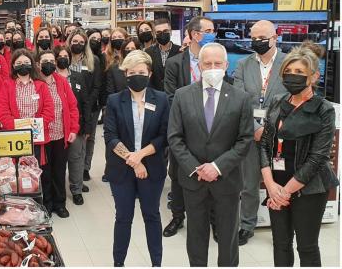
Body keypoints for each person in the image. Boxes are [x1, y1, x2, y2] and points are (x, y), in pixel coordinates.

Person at [167, 43, 253, 266]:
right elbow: (175, 138)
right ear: (199, 65)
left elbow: (244, 140)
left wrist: (217, 167)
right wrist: (196, 167)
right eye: (207, 63)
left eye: (217, 63)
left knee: (228, 239)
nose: (212, 67)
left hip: (227, 181)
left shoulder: (241, 98)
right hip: (194, 180)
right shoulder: (182, 96)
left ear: (226, 65)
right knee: (196, 237)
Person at [258, 43, 338, 266]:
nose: (293, 77)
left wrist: (284, 192)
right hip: (277, 182)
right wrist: (271, 186)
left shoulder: (323, 109)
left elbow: (318, 157)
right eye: (289, 72)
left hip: (309, 188)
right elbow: (265, 143)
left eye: (300, 73)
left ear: (314, 77)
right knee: (280, 243)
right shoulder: (277, 102)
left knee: (307, 246)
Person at [104, 50, 170, 267]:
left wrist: (140, 156)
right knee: (123, 217)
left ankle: (156, 263)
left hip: (152, 168)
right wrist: (134, 161)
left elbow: (163, 136)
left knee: (152, 215)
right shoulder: (114, 100)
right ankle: (118, 263)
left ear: (149, 73)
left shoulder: (160, 99)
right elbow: (110, 136)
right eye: (132, 72)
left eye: (141, 72)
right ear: (125, 74)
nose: (137, 76)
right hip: (121, 170)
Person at [231, 20, 287, 246]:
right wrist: (256, 128)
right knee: (249, 182)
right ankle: (247, 224)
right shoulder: (244, 64)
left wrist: (270, 129)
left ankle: (283, 226)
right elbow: (238, 98)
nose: (257, 42)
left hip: (281, 134)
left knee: (283, 179)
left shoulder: (288, 63)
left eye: (262, 38)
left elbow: (291, 99)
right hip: (251, 132)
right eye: (253, 38)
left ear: (275, 37)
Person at [162, 16, 216, 238]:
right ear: (195, 34)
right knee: (179, 174)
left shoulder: (216, 61)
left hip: (213, 129)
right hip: (183, 130)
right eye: (209, 30)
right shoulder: (175, 63)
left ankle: (213, 219)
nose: (214, 33)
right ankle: (177, 217)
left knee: (212, 173)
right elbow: (170, 96)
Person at [0, 48, 55, 174]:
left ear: (32, 65)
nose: (23, 65)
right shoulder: (7, 85)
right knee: (16, 174)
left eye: (26, 62)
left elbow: (49, 110)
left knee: (35, 174)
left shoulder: (41, 85)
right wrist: (19, 128)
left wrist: (34, 128)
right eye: (19, 63)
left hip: (36, 137)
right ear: (13, 66)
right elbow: (2, 112)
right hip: (14, 138)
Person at [37, 50, 79, 218]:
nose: (48, 63)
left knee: (60, 171)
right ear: (38, 64)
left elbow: (72, 107)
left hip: (61, 134)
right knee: (44, 171)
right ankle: (47, 204)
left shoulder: (61, 82)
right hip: (42, 136)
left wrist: (74, 129)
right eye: (44, 60)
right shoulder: (36, 82)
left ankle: (60, 203)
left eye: (51, 60)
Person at [54, 46, 92, 206]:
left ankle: (76, 189)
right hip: (57, 127)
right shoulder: (49, 78)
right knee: (59, 162)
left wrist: (87, 126)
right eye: (60, 56)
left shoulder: (78, 77)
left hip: (76, 126)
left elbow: (85, 102)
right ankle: (58, 190)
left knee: (76, 158)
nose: (63, 58)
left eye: (66, 56)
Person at [67, 29, 102, 184]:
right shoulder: (64, 59)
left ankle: (84, 170)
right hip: (68, 108)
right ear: (69, 42)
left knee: (88, 139)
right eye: (75, 41)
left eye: (82, 42)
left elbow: (96, 86)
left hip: (89, 108)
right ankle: (74, 173)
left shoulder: (92, 60)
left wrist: (87, 101)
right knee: (72, 142)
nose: (78, 44)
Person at [146, 18, 181, 91]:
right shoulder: (149, 52)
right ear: (154, 35)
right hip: (156, 96)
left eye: (165, 31)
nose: (162, 34)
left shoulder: (180, 51)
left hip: (175, 95)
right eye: (158, 32)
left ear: (171, 32)